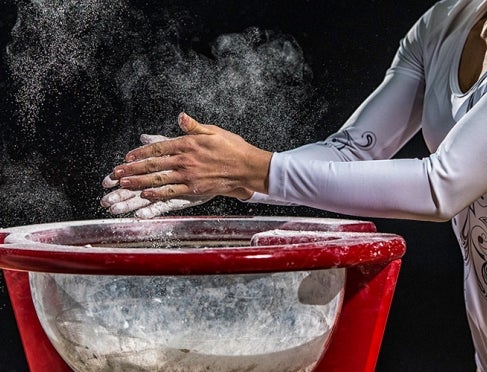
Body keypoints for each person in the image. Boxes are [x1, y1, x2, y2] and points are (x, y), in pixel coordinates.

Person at [101, 0, 487, 369]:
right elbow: (351, 151)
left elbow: (441, 186)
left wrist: (253, 168)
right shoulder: (444, 22)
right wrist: (233, 177)